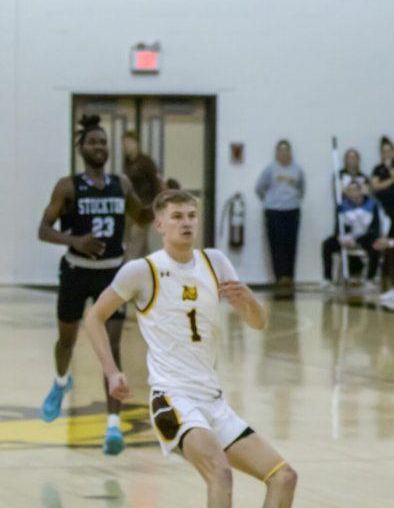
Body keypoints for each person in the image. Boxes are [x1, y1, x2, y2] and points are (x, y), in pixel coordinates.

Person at [82, 190, 297, 507]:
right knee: (220, 475)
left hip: (213, 401)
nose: (186, 223)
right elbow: (94, 316)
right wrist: (112, 372)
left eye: (192, 216)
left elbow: (258, 323)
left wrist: (249, 301)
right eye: (177, 217)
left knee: (284, 477)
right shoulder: (143, 270)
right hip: (172, 398)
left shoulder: (215, 262)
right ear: (160, 224)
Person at [36, 115, 152, 455]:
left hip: (111, 276)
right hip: (76, 271)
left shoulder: (122, 184)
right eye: (92, 142)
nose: (99, 147)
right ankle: (61, 382)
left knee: (111, 348)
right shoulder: (67, 186)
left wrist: (161, 194)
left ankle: (113, 428)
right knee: (66, 341)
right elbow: (43, 229)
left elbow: (142, 217)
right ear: (81, 149)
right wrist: (75, 240)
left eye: (103, 142)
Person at [255, 140, 305, 288]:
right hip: (273, 211)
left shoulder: (297, 170)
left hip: (292, 210)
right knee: (277, 244)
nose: (284, 153)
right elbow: (259, 188)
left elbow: (302, 189)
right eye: (281, 150)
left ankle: (289, 276)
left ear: (290, 152)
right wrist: (271, 201)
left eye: (286, 150)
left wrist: (293, 200)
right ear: (277, 152)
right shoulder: (270, 169)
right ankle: (279, 277)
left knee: (291, 244)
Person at [320, 180, 384, 286]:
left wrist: (357, 240)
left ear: (361, 191)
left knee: (375, 246)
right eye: (350, 190)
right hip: (347, 238)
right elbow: (338, 227)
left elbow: (375, 229)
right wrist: (341, 237)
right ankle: (327, 279)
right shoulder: (342, 207)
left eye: (356, 190)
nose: (353, 193)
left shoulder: (372, 205)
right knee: (327, 245)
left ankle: (370, 279)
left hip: (366, 237)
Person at [121, 131, 162, 259]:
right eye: (124, 143)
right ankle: (147, 268)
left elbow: (156, 184)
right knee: (137, 242)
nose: (127, 146)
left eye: (129, 143)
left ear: (136, 143)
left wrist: (155, 206)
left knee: (136, 241)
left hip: (144, 206)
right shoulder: (127, 161)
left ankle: (130, 270)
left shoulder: (146, 162)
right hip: (131, 206)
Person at [369, 136, 394, 230]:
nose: (387, 154)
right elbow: (375, 187)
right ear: (381, 154)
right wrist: (393, 178)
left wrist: (390, 169)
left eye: (389, 151)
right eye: (384, 151)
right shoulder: (377, 168)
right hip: (382, 205)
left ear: (393, 151)